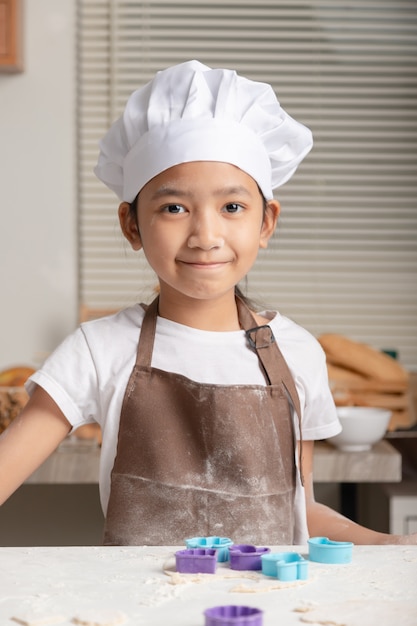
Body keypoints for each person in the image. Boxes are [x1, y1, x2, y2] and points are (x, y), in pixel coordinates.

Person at [0, 60, 415, 546]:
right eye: (173, 207)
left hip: (264, 613)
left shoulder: (298, 353)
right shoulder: (98, 349)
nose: (205, 236)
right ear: (132, 225)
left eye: (232, 207)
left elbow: (300, 512)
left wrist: (392, 545)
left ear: (266, 223)